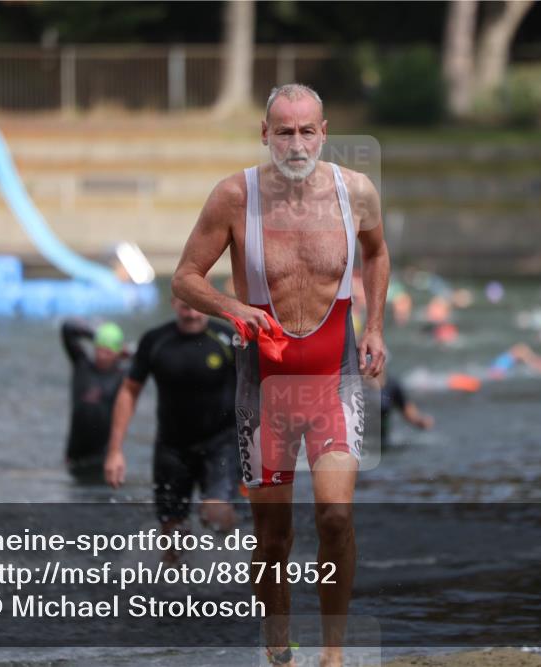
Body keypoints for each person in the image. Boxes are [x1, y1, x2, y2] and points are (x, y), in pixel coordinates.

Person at [170, 83, 389, 667]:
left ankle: (334, 653)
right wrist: (233, 308)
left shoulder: (356, 192)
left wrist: (375, 328)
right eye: (284, 131)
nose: (296, 143)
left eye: (307, 130)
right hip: (262, 389)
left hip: (334, 381)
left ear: (324, 131)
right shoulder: (234, 196)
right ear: (265, 134)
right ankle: (277, 647)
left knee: (337, 517)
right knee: (273, 537)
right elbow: (185, 277)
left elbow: (378, 253)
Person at [104, 296, 241, 558]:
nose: (191, 314)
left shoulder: (227, 339)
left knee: (216, 515)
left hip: (221, 443)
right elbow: (129, 391)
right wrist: (115, 450)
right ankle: (176, 592)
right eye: (185, 306)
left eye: (198, 307)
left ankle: (235, 557)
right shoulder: (156, 341)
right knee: (173, 538)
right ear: (174, 302)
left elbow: (253, 391)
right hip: (172, 447)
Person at [61, 319, 130, 477]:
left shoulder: (122, 376)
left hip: (103, 457)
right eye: (99, 349)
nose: (102, 355)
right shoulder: (82, 365)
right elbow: (67, 329)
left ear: (118, 353)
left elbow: (145, 357)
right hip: (74, 455)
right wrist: (97, 335)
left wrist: (127, 352)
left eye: (108, 351)